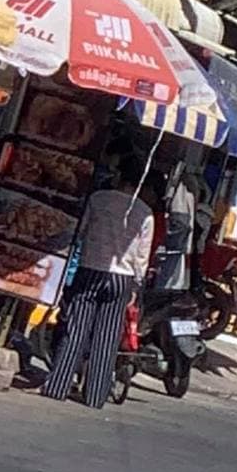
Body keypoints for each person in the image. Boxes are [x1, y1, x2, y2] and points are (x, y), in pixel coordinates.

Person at [42, 153, 154, 409]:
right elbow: (142, 256)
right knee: (108, 337)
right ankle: (95, 396)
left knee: (76, 329)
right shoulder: (145, 213)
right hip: (122, 278)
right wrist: (136, 286)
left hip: (90, 268)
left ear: (119, 175)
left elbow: (80, 232)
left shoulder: (98, 199)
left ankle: (57, 386)